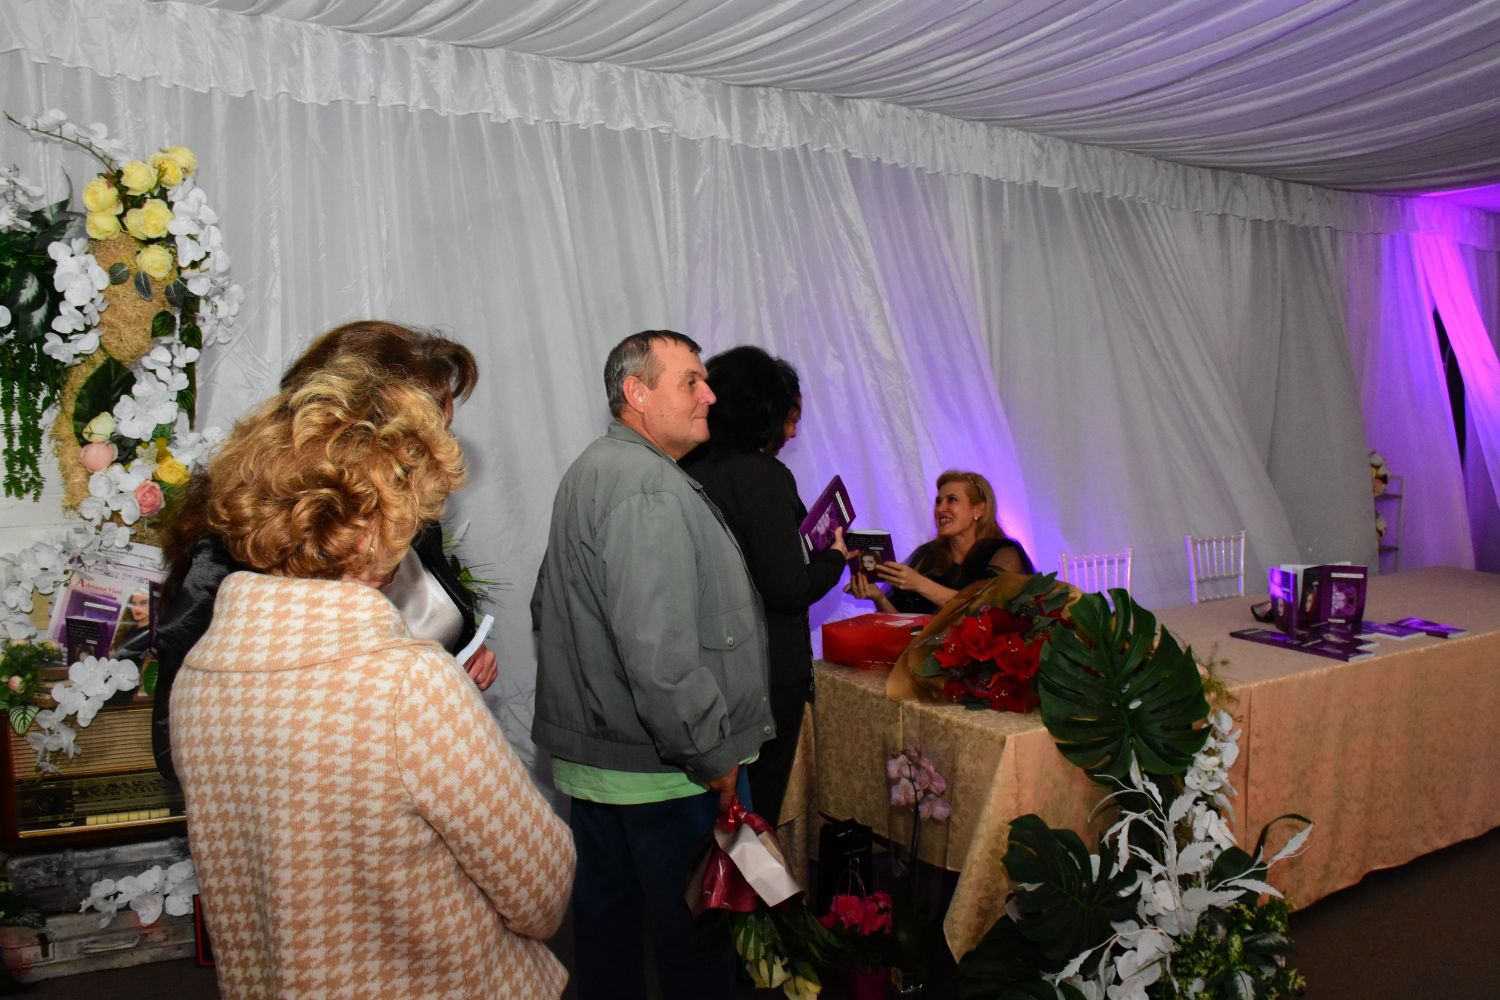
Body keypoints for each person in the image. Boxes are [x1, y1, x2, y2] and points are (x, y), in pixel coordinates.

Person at [171, 359, 575, 999]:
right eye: (410, 507)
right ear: (368, 530)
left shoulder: (200, 676)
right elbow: (541, 889)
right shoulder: (406, 683)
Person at [531, 330, 772, 1000]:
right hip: (666, 773)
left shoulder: (595, 468)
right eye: (691, 381)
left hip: (607, 766)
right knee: (695, 953)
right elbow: (659, 654)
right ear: (637, 394)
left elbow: (548, 605)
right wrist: (711, 751)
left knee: (608, 943)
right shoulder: (647, 488)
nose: (710, 395)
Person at [151, 321, 495, 784]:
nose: (441, 452)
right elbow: (181, 744)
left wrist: (461, 660)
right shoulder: (240, 549)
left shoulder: (407, 516)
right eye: (426, 435)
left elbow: (431, 618)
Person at [682, 346, 845, 827]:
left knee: (705, 820)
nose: (790, 432)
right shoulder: (762, 477)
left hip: (703, 671)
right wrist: (835, 558)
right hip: (765, 673)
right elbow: (787, 587)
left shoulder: (685, 471)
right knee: (752, 819)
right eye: (786, 417)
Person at [851, 469, 1034, 614]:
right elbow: (902, 624)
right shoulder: (928, 555)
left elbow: (987, 609)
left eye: (952, 500)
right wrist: (880, 598)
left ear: (978, 510)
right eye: (938, 501)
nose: (940, 508)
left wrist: (920, 584)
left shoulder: (1004, 553)